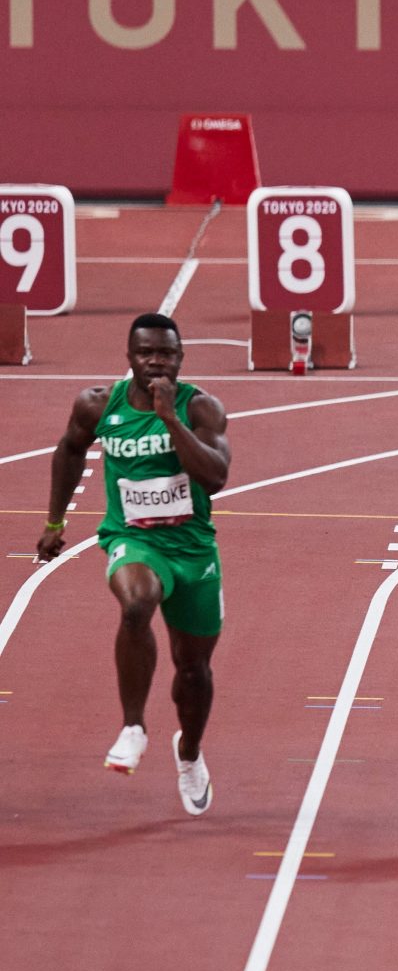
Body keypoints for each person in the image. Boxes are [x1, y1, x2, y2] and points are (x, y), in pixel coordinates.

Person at [35, 312, 231, 813]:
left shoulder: (201, 408)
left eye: (166, 353)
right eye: (146, 353)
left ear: (181, 359)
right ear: (129, 358)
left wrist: (169, 419)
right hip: (132, 539)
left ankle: (188, 753)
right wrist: (55, 522)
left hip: (191, 550)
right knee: (136, 603)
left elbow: (216, 477)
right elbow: (69, 451)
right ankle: (133, 726)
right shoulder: (98, 405)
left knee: (194, 672)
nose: (156, 362)